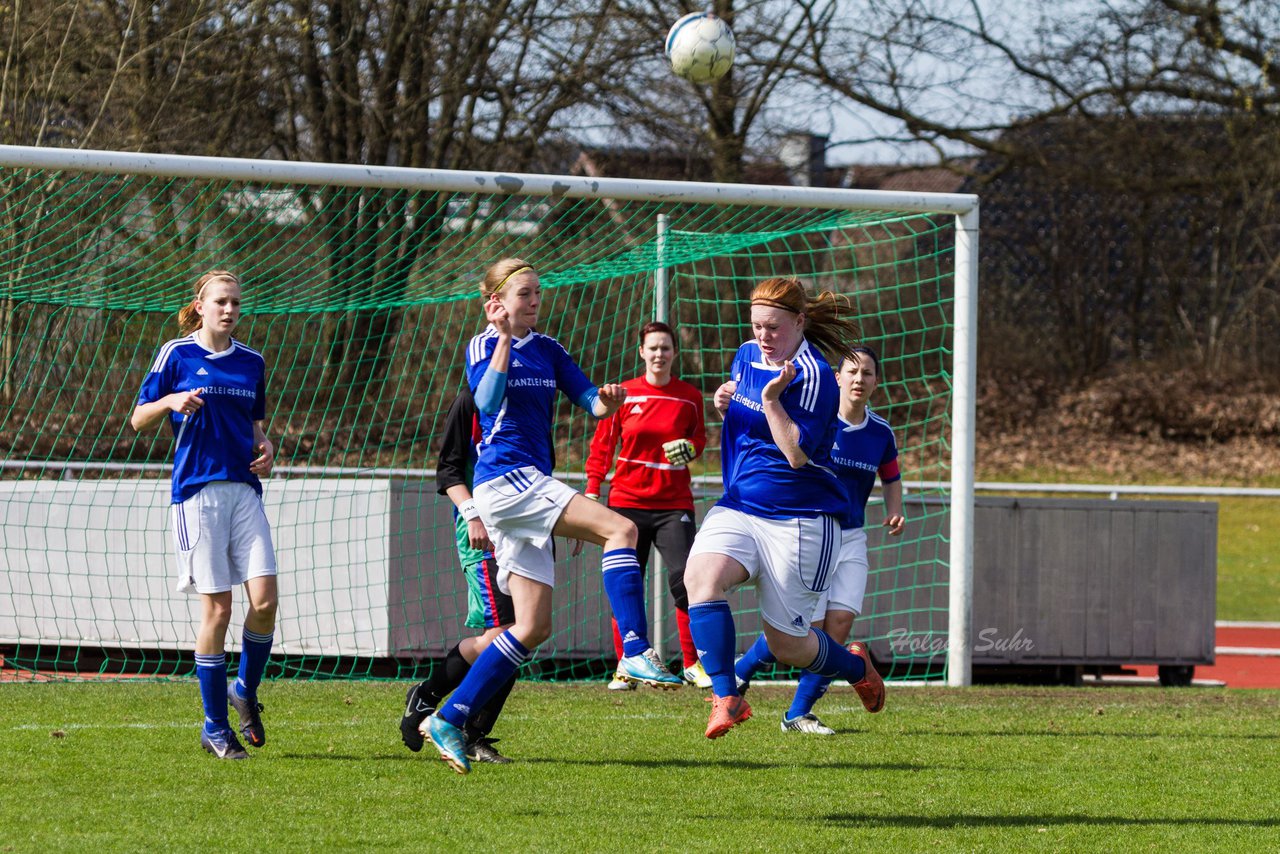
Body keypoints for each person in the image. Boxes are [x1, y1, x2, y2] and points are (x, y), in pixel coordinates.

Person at [424, 258, 681, 774]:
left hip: (525, 488)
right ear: (496, 301)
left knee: (533, 626)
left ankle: (449, 717)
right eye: (524, 293)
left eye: (538, 292)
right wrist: (500, 339)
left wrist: (608, 399)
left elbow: (591, 402)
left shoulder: (550, 349)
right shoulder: (482, 344)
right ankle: (633, 647)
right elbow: (487, 399)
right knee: (622, 528)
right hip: (504, 481)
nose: (535, 300)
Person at [683, 276, 886, 739]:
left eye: (773, 327)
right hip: (741, 504)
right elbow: (743, 409)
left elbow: (795, 454)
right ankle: (726, 695)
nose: (762, 337)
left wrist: (772, 400)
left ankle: (855, 669)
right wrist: (724, 402)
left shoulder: (816, 377)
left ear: (798, 322)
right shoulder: (748, 353)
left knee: (789, 644)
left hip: (802, 517)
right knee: (701, 578)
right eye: (756, 326)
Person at [130, 270, 277, 760]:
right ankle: (215, 727)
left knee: (266, 599)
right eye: (220, 301)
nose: (229, 310)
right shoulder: (177, 353)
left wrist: (266, 447)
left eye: (235, 302)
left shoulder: (252, 362)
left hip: (245, 492)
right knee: (218, 609)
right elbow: (138, 417)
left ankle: (244, 691)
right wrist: (170, 400)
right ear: (200, 304)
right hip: (197, 495)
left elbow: (257, 427)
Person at [734, 346, 905, 733]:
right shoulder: (819, 420)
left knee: (840, 624)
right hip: (809, 532)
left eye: (868, 373)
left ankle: (798, 714)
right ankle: (741, 670)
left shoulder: (880, 433)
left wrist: (896, 510)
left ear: (876, 382)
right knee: (799, 630)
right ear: (837, 377)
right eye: (852, 371)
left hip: (852, 537)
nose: (859, 379)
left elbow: (891, 478)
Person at [584, 320, 710, 690]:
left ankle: (693, 664)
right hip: (626, 503)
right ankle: (626, 666)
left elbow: (698, 438)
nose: (659, 354)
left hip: (674, 504)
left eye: (665, 348)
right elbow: (603, 447)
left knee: (687, 580)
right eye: (652, 348)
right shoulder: (623, 394)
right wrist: (592, 491)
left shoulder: (690, 396)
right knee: (627, 585)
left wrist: (692, 449)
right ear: (641, 352)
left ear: (675, 352)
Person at [398, 387, 519, 764]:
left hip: (521, 530)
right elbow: (448, 467)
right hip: (482, 535)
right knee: (506, 636)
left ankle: (431, 698)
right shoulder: (470, 401)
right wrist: (472, 515)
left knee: (514, 636)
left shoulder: (533, 393)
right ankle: (462, 728)